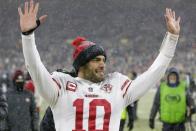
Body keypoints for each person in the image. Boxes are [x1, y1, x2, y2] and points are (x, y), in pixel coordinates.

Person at [18, 0, 180, 130]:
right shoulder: (62, 86)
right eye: (96, 60)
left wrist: (172, 39)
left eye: (103, 60)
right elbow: (35, 68)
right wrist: (28, 36)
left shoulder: (116, 85)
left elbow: (154, 73)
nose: (103, 64)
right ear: (81, 64)